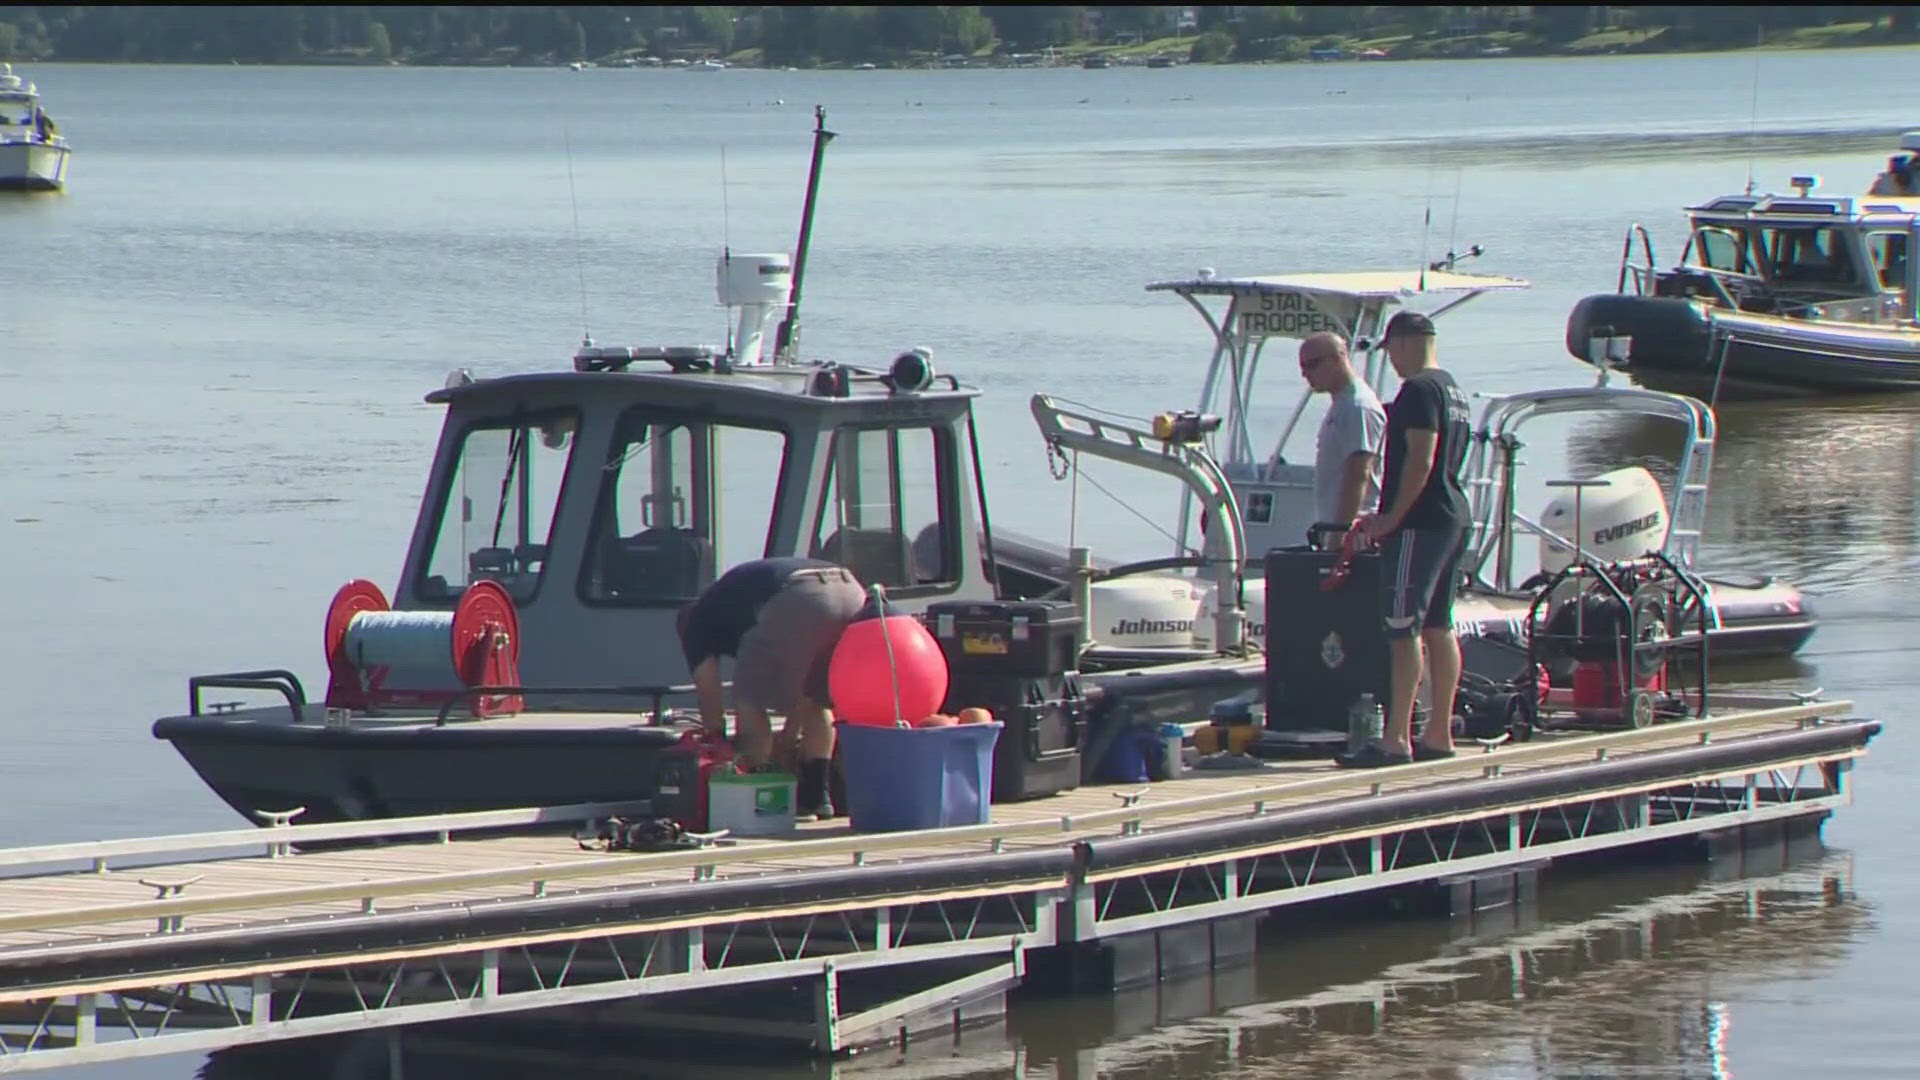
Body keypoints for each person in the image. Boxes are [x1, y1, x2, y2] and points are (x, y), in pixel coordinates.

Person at [1340, 311, 1474, 769]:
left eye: (1391, 350)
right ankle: (1438, 733)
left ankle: (1396, 738)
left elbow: (1421, 457)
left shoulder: (1418, 391)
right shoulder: (1454, 390)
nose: (1391, 361)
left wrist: (1390, 518)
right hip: (1454, 514)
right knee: (1439, 625)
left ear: (1405, 342)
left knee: (1403, 628)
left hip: (1420, 522)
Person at [676, 556, 866, 817]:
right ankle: (815, 798)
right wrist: (788, 735)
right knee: (817, 697)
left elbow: (710, 694)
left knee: (748, 698)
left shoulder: (698, 624)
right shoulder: (730, 610)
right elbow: (805, 696)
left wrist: (716, 741)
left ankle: (761, 795)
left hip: (799, 594)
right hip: (851, 589)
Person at [1295, 331, 1386, 546]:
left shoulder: (1357, 406)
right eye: (1302, 366)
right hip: (1336, 526)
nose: (1305, 374)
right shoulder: (1342, 404)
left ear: (1338, 358)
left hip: (1354, 533)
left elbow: (1359, 473)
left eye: (1312, 364)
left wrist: (1340, 532)